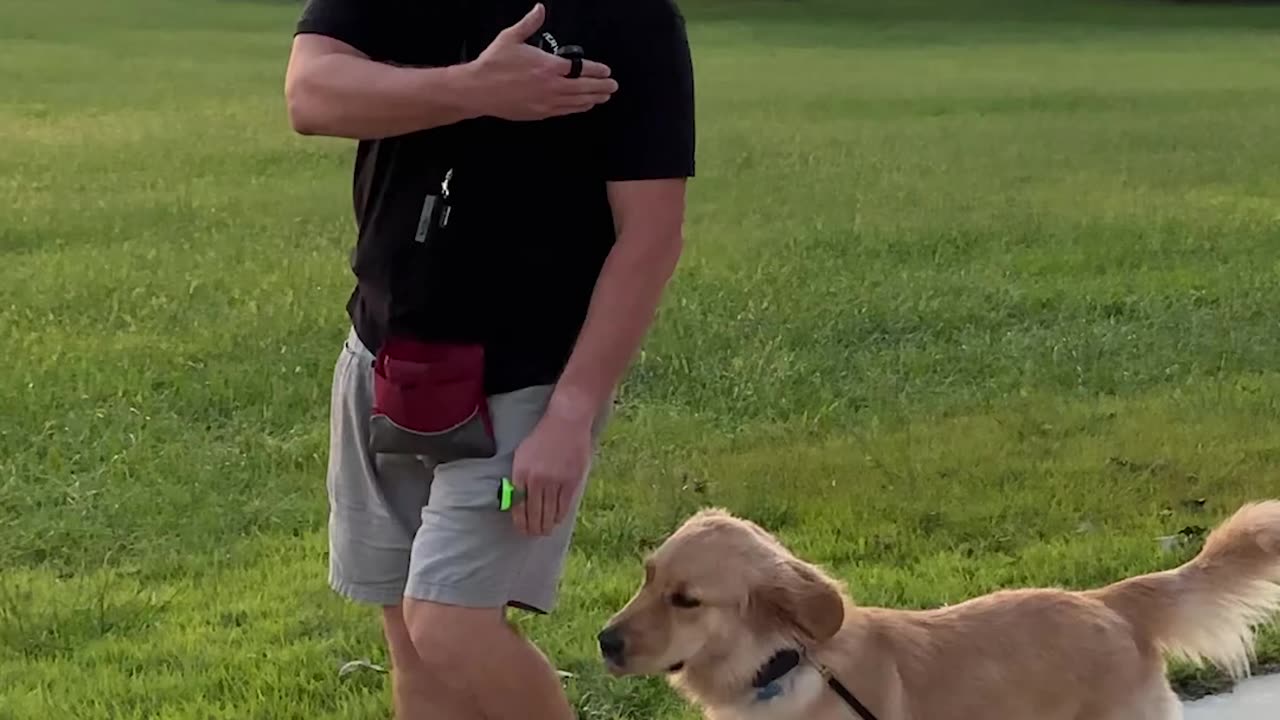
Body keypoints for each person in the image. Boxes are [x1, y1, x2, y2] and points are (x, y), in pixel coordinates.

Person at [283, 1, 695, 718]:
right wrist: (475, 89)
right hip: (384, 363)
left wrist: (571, 414)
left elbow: (651, 235)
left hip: (528, 392)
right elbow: (311, 95)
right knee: (412, 643)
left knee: (450, 626)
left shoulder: (632, 17)